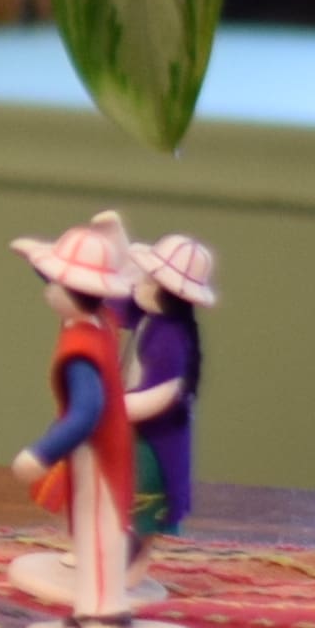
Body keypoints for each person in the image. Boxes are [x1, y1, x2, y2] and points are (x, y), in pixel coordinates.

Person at [9, 210, 186, 628]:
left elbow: (86, 410)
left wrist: (41, 454)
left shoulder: (84, 345)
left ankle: (104, 614)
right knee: (94, 530)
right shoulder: (97, 322)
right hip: (105, 449)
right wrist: (38, 258)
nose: (49, 289)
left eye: (55, 282)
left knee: (99, 531)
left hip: (99, 452)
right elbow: (69, 286)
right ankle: (93, 610)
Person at [130, 231, 214, 539]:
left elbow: (163, 394)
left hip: (153, 440)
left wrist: (115, 406)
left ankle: (137, 565)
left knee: (144, 507)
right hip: (138, 431)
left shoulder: (170, 339)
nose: (139, 282)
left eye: (150, 279)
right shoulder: (149, 317)